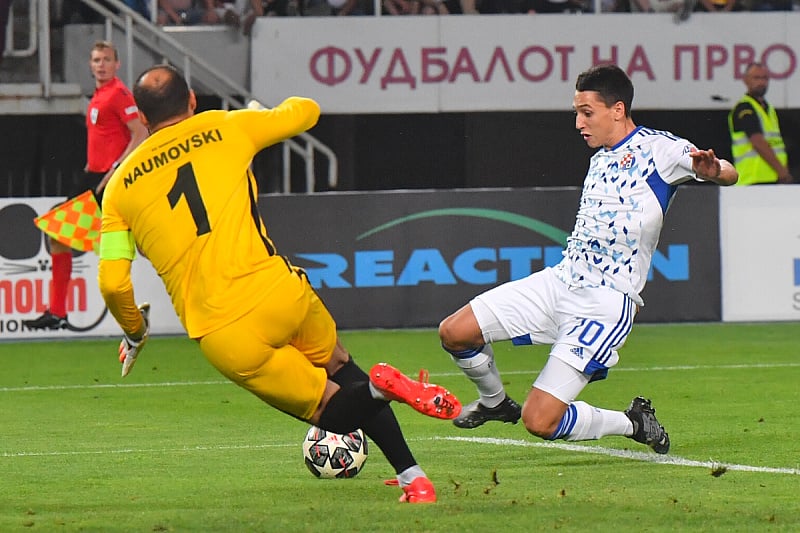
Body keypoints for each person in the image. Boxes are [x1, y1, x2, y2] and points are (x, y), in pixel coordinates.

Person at [97, 64, 462, 503]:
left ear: (138, 115)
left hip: (225, 330)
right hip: (280, 292)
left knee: (334, 411)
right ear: (192, 100)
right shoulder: (226, 126)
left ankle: (384, 391)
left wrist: (135, 332)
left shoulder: (117, 189)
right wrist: (260, 114)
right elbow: (307, 112)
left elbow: (113, 284)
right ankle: (414, 478)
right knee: (343, 369)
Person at [438, 64, 737, 454]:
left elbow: (727, 172)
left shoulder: (659, 149)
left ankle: (631, 423)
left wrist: (714, 171)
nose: (579, 122)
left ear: (617, 110)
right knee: (454, 332)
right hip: (562, 281)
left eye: (587, 112)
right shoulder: (599, 157)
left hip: (605, 302)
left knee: (539, 421)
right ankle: (495, 402)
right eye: (576, 113)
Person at [23, 41, 148, 330]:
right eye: (96, 59)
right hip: (93, 176)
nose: (101, 64)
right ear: (90, 65)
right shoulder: (101, 94)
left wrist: (115, 169)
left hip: (109, 179)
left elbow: (140, 132)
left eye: (106, 59)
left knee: (136, 244)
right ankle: (57, 311)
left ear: (117, 65)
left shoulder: (118, 93)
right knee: (59, 235)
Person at [728, 62, 793, 185]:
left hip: (771, 178)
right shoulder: (744, 108)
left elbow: (775, 144)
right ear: (746, 80)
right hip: (752, 178)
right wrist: (782, 171)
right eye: (756, 78)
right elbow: (757, 141)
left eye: (765, 78)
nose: (761, 82)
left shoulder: (769, 109)